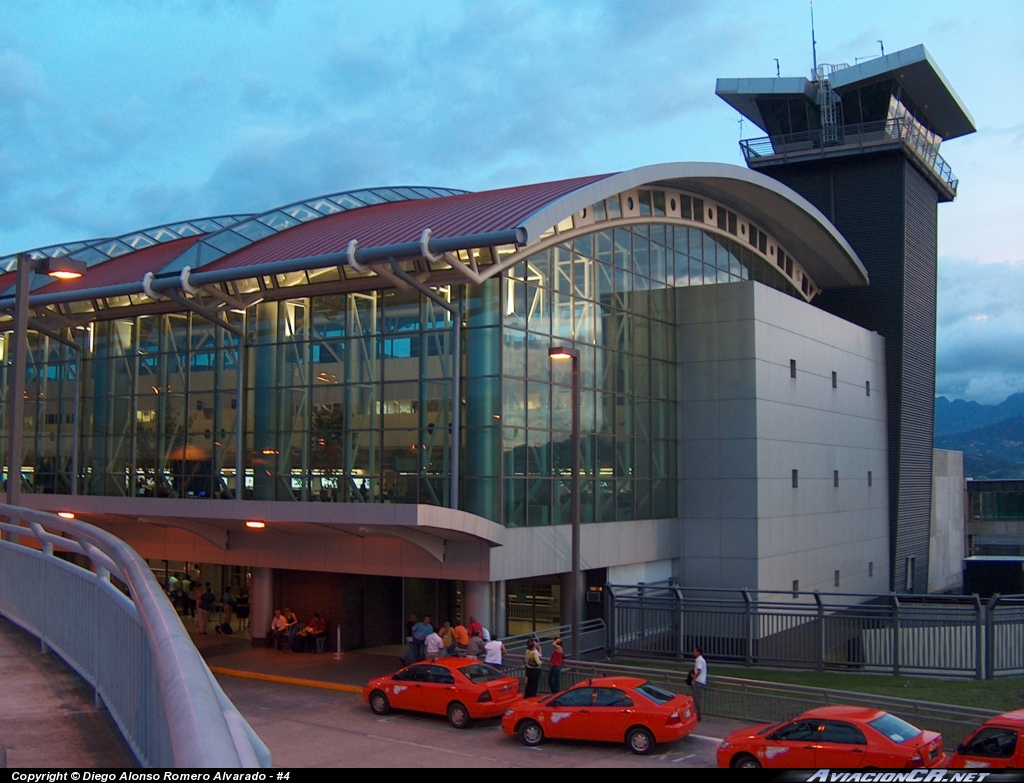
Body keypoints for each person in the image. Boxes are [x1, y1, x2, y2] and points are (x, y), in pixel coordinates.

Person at [692, 646, 707, 720]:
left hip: (698, 681)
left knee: (696, 698)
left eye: (695, 651)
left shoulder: (699, 660)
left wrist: (694, 677)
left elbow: (699, 670)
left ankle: (698, 715)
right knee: (697, 698)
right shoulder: (702, 660)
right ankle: (698, 714)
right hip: (701, 681)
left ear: (698, 652)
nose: (694, 653)